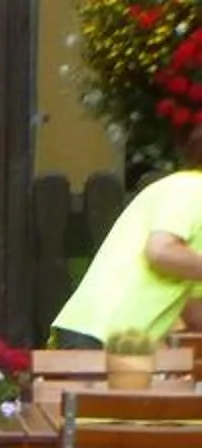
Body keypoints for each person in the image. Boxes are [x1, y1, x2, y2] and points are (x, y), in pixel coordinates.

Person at [51, 112, 202, 347]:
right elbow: (161, 251)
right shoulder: (191, 188)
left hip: (117, 342)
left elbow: (194, 311)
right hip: (99, 335)